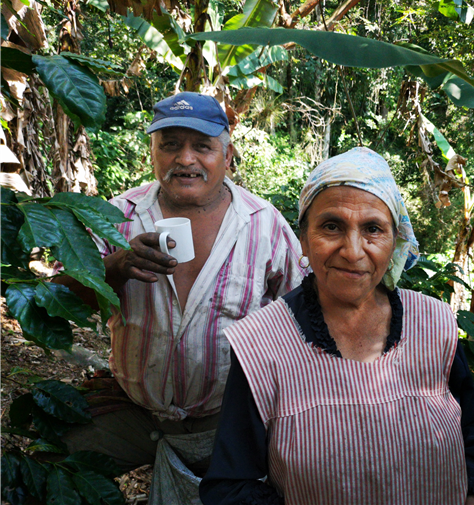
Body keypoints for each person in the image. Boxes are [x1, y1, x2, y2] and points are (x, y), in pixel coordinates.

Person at [200, 147, 474, 505]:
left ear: (395, 241)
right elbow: (230, 485)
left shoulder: (435, 324)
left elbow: (473, 433)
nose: (352, 250)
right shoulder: (261, 344)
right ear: (302, 237)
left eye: (373, 229)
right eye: (331, 226)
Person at [59, 92, 306, 496]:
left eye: (202, 146)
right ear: (152, 154)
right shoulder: (114, 216)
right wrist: (115, 269)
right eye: (170, 144)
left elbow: (303, 319)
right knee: (51, 465)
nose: (186, 159)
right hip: (133, 411)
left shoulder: (266, 227)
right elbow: (57, 302)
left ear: (227, 157)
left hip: (227, 421)